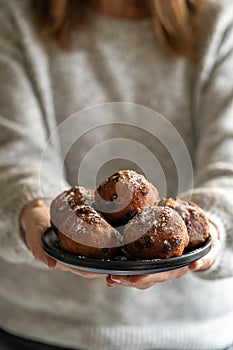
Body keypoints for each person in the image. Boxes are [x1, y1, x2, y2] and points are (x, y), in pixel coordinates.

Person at [0, 0, 233, 349]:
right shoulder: (17, 14)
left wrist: (213, 228)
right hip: (42, 324)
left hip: (191, 329)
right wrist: (29, 205)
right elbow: (12, 150)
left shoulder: (219, 21)